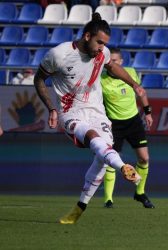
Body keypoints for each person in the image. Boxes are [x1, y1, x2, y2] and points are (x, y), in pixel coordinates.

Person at [34, 13, 147, 224]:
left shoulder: (102, 53)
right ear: (87, 36)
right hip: (71, 112)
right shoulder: (59, 55)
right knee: (95, 139)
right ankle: (123, 166)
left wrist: (134, 84)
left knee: (103, 156)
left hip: (96, 111)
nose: (102, 48)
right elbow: (39, 79)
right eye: (100, 42)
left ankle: (80, 206)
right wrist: (51, 108)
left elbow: (112, 67)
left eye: (105, 44)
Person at [101, 48, 155, 209]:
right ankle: (108, 199)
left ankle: (139, 193)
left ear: (121, 62)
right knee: (112, 161)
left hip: (133, 121)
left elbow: (141, 92)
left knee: (144, 158)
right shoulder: (100, 79)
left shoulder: (130, 72)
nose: (112, 64)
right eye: (110, 61)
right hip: (114, 124)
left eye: (115, 61)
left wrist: (148, 113)